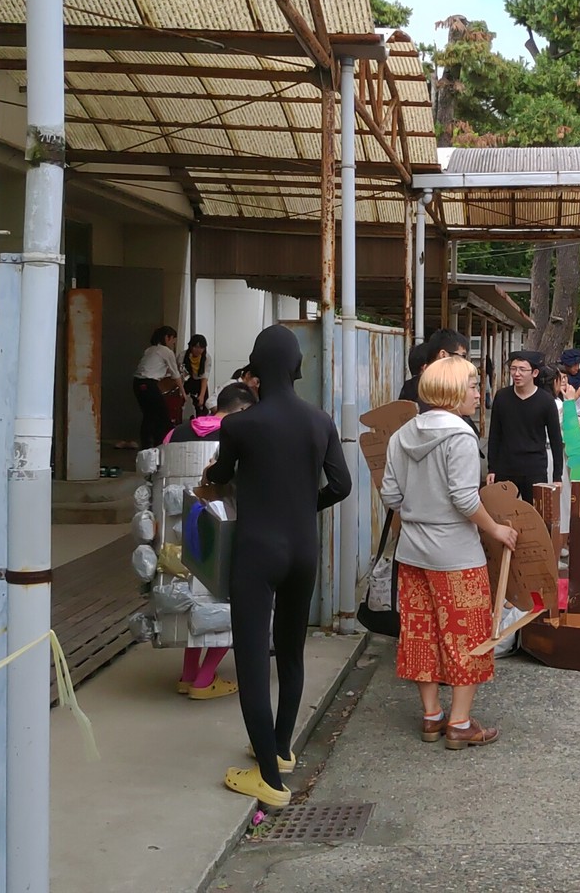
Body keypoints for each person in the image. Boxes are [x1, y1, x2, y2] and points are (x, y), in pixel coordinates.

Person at [206, 325, 353, 808]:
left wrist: (214, 476)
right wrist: (305, 504)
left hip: (257, 551)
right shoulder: (320, 421)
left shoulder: (240, 426)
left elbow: (220, 476)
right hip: (303, 551)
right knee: (290, 653)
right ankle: (282, 749)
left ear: (255, 371)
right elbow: (342, 485)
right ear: (296, 367)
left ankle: (268, 779)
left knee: (252, 662)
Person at [380, 356, 521, 750]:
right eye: (473, 386)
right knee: (467, 635)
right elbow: (464, 498)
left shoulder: (402, 435)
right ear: (455, 391)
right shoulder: (460, 436)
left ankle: (431, 716)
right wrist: (495, 528)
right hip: (457, 554)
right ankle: (460, 722)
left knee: (420, 633)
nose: (479, 394)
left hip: (412, 551)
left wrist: (418, 506)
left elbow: (390, 495)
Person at [164, 382, 257, 699]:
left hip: (179, 535)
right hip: (224, 527)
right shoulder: (239, 435)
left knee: (192, 601)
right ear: (242, 409)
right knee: (228, 603)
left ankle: (188, 674)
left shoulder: (175, 434)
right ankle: (204, 681)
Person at [486, 351, 564, 504]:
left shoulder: (546, 401)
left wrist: (557, 476)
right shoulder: (502, 397)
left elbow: (556, 440)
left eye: (522, 369)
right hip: (506, 467)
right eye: (513, 369)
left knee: (535, 513)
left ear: (534, 373)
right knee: (503, 512)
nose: (517, 374)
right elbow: (494, 434)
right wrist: (492, 468)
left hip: (535, 468)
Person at [133, 325, 183, 448]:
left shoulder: (150, 350)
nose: (173, 344)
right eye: (173, 340)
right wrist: (183, 392)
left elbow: (156, 369)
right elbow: (175, 374)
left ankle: (147, 445)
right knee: (163, 416)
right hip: (148, 384)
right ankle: (161, 444)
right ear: (167, 338)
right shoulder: (166, 351)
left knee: (149, 415)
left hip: (137, 383)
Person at [401, 328, 468, 408]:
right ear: (443, 355)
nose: (465, 362)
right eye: (463, 356)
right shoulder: (428, 391)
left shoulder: (413, 387)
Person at [181, 333, 212, 419]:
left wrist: (201, 396)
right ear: (190, 346)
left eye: (201, 347)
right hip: (186, 381)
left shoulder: (207, 357)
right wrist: (182, 392)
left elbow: (204, 378)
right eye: (195, 347)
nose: (198, 350)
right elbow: (179, 374)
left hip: (200, 382)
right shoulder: (182, 356)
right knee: (180, 403)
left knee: (202, 406)